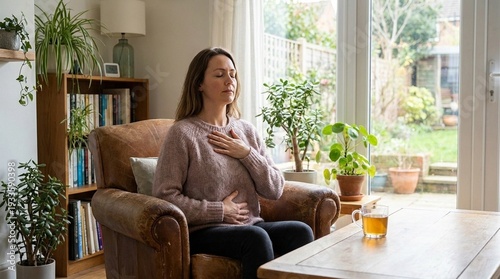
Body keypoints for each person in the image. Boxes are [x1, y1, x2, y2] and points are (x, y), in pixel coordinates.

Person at [152, 47, 314, 279]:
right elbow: (165, 197)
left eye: (233, 74)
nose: (230, 81)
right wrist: (219, 210)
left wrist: (247, 154)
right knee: (255, 239)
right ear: (199, 84)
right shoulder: (182, 134)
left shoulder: (246, 131)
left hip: (249, 225)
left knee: (300, 232)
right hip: (203, 231)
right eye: (219, 75)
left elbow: (275, 189)